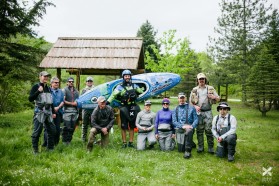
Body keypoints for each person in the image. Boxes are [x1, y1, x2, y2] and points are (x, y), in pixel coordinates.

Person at [107, 69, 143, 148]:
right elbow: (113, 95)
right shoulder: (119, 87)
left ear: (130, 77)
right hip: (124, 107)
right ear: (123, 77)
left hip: (133, 107)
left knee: (132, 126)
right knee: (123, 126)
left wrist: (138, 92)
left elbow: (141, 91)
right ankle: (124, 143)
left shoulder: (134, 86)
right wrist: (108, 102)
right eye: (125, 76)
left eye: (128, 76)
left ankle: (130, 142)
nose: (127, 77)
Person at [190, 73, 220, 154]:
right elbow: (191, 102)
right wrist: (195, 106)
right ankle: (200, 147)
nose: (201, 80)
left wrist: (213, 97)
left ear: (205, 79)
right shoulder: (194, 90)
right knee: (199, 130)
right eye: (200, 79)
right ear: (197, 80)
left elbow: (218, 98)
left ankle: (210, 147)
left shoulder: (210, 88)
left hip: (208, 112)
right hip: (198, 113)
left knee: (208, 130)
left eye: (203, 78)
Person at [28, 71, 56, 154]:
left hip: (48, 112)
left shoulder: (48, 88)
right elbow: (30, 99)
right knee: (37, 131)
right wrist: (38, 91)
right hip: (39, 111)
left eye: (47, 76)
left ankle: (50, 148)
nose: (46, 78)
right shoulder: (36, 86)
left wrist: (53, 112)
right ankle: (35, 150)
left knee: (52, 130)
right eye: (44, 76)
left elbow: (51, 102)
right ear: (40, 77)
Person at [172, 92, 198, 159]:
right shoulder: (175, 109)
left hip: (189, 127)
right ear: (178, 99)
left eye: (183, 98)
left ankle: (188, 151)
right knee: (180, 150)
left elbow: (196, 119)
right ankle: (191, 143)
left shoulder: (192, 108)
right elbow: (174, 121)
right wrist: (182, 126)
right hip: (180, 128)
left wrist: (192, 126)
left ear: (186, 98)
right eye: (180, 98)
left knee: (188, 132)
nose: (182, 99)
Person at [42, 77, 64, 147]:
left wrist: (58, 107)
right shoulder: (47, 90)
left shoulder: (61, 91)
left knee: (57, 129)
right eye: (55, 82)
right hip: (48, 112)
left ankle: (56, 143)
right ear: (51, 83)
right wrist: (52, 109)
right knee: (47, 129)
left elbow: (63, 101)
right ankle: (46, 143)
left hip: (58, 112)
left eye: (58, 82)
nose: (57, 84)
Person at [62, 77, 79, 145]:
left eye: (72, 81)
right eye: (69, 81)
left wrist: (77, 104)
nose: (71, 82)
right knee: (67, 126)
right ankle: (64, 141)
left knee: (72, 127)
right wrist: (72, 103)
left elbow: (78, 100)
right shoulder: (64, 90)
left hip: (75, 111)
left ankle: (69, 141)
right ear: (67, 82)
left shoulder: (76, 91)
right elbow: (63, 100)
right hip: (66, 111)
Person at [81, 76, 95, 142]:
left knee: (93, 124)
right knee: (84, 124)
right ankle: (83, 138)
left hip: (93, 109)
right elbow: (81, 99)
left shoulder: (95, 89)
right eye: (88, 81)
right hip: (85, 109)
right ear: (86, 82)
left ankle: (92, 138)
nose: (89, 82)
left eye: (90, 81)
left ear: (92, 82)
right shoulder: (83, 90)